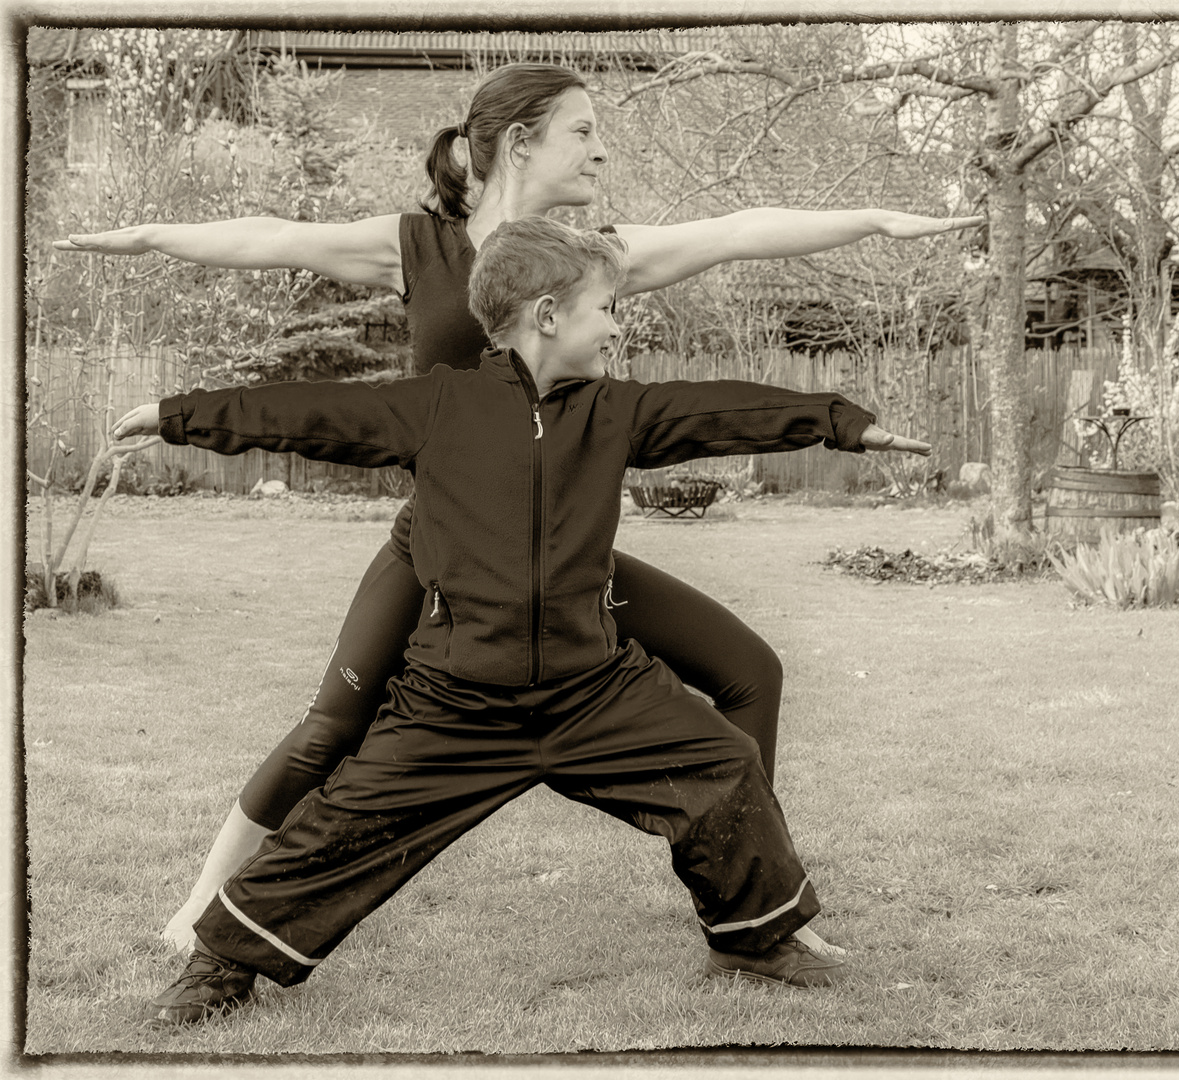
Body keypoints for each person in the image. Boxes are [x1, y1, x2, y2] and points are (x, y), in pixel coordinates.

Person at [57, 61, 980, 958]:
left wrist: (875, 220)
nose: (600, 152)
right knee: (331, 730)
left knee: (748, 671)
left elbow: (739, 228)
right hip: (437, 553)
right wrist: (146, 237)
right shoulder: (414, 247)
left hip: (558, 560)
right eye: (584, 132)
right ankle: (200, 906)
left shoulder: (592, 260)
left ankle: (754, 899)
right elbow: (269, 235)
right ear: (517, 143)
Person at [114, 216, 932, 1023]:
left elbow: (720, 412)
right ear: (548, 315)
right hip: (455, 699)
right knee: (340, 826)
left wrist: (839, 421)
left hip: (596, 691)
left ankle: (750, 942)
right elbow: (312, 413)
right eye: (604, 308)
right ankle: (220, 965)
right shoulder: (438, 406)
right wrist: (175, 413)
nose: (616, 326)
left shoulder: (615, 411)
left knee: (722, 764)